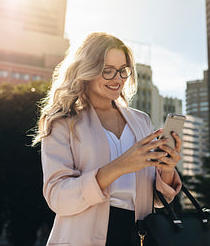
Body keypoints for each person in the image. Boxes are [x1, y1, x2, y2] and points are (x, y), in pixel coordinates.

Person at [32, 32, 183, 245]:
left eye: (123, 70)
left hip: (138, 234)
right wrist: (118, 167)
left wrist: (167, 169)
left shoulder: (141, 120)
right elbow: (58, 197)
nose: (118, 79)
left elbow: (157, 202)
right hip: (82, 236)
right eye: (108, 71)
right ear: (87, 70)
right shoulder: (63, 120)